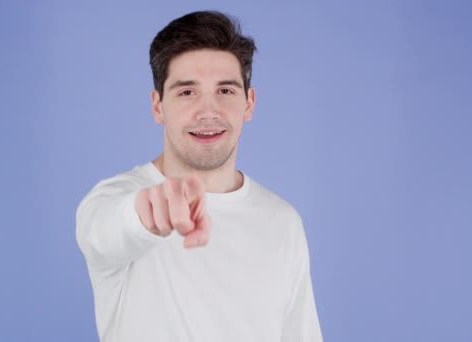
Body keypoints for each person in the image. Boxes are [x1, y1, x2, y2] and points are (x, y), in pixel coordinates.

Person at [76, 10, 323, 342]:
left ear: (249, 104)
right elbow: (105, 232)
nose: (208, 112)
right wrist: (148, 214)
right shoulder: (112, 199)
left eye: (225, 91)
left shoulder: (283, 222)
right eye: (187, 92)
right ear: (157, 105)